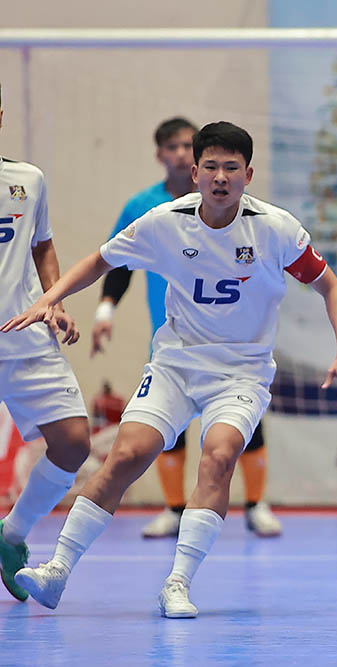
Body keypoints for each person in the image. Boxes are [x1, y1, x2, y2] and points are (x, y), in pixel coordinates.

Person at [3, 121, 337, 619]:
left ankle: (177, 583)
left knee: (218, 457)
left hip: (242, 371)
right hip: (175, 363)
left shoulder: (276, 229)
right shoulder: (163, 222)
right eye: (210, 166)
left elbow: (331, 287)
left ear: (248, 174)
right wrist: (49, 299)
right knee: (128, 454)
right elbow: (100, 262)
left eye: (231, 168)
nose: (220, 177)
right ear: (194, 172)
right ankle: (57, 570)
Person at [92, 117, 282, 539]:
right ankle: (175, 510)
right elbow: (117, 263)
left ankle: (256, 504)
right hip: (174, 338)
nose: (179, 153)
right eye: (172, 147)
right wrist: (105, 310)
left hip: (232, 345)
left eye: (185, 145)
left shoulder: (249, 215)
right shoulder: (146, 207)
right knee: (164, 429)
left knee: (239, 430)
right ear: (163, 156)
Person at [0, 82, 92, 603]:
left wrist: (54, 301)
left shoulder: (26, 180)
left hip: (26, 338)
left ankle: (10, 535)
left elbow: (43, 243)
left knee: (75, 442)